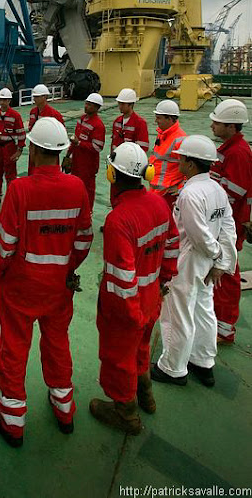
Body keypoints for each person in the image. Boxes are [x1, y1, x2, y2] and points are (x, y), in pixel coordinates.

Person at [0, 117, 92, 447]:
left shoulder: (20, 190)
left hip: (21, 287)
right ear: (61, 152)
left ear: (32, 148)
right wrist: (67, 268)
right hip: (59, 287)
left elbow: (4, 244)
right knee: (57, 343)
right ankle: (64, 408)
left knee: (15, 347)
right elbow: (84, 239)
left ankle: (12, 420)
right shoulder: (76, 187)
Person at [89, 142, 178, 435]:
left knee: (119, 357)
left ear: (112, 175)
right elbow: (172, 244)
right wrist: (163, 281)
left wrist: (131, 314)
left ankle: (125, 412)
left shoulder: (119, 220)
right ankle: (146, 395)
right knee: (141, 347)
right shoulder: (159, 204)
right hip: (152, 294)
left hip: (128, 306)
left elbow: (122, 279)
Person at [152, 135, 237, 388]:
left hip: (188, 259)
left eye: (181, 159)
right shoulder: (217, 190)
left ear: (190, 163)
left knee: (177, 312)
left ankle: (173, 368)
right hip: (207, 261)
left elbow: (198, 235)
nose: (178, 162)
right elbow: (228, 228)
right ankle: (203, 361)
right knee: (203, 308)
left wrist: (216, 256)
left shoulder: (190, 194)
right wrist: (221, 261)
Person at [209, 100, 252, 344]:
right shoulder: (229, 148)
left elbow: (234, 192)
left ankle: (224, 329)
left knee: (225, 274)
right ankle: (217, 320)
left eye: (217, 123)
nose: (212, 126)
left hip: (229, 225)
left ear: (232, 126)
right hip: (224, 222)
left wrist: (208, 191)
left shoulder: (238, 153)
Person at [63, 92, 105, 211]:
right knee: (75, 187)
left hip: (88, 165)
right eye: (86, 103)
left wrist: (79, 143)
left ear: (96, 108)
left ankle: (87, 212)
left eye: (90, 105)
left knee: (87, 190)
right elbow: (75, 138)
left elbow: (98, 147)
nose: (86, 106)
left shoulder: (98, 125)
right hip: (77, 161)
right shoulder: (81, 119)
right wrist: (68, 155)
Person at [0, 88, 25, 207]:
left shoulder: (15, 116)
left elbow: (21, 134)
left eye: (5, 100)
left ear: (9, 101)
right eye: (1, 100)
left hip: (9, 147)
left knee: (10, 174)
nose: (2, 102)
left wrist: (19, 150)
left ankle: (11, 197)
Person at [149, 100, 186, 210]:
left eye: (159, 118)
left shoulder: (180, 140)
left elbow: (191, 168)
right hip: (156, 191)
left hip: (167, 194)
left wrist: (181, 188)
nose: (156, 121)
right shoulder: (162, 134)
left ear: (169, 119)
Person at [28, 84, 64, 175]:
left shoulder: (54, 114)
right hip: (34, 149)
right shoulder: (33, 112)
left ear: (45, 97)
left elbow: (61, 135)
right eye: (34, 97)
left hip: (48, 152)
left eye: (37, 97)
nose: (34, 99)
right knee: (33, 174)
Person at [110, 89, 149, 154]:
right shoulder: (117, 121)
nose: (120, 106)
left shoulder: (140, 123)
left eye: (123, 104)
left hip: (130, 159)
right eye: (119, 103)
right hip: (116, 157)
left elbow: (143, 148)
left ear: (131, 104)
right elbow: (113, 143)